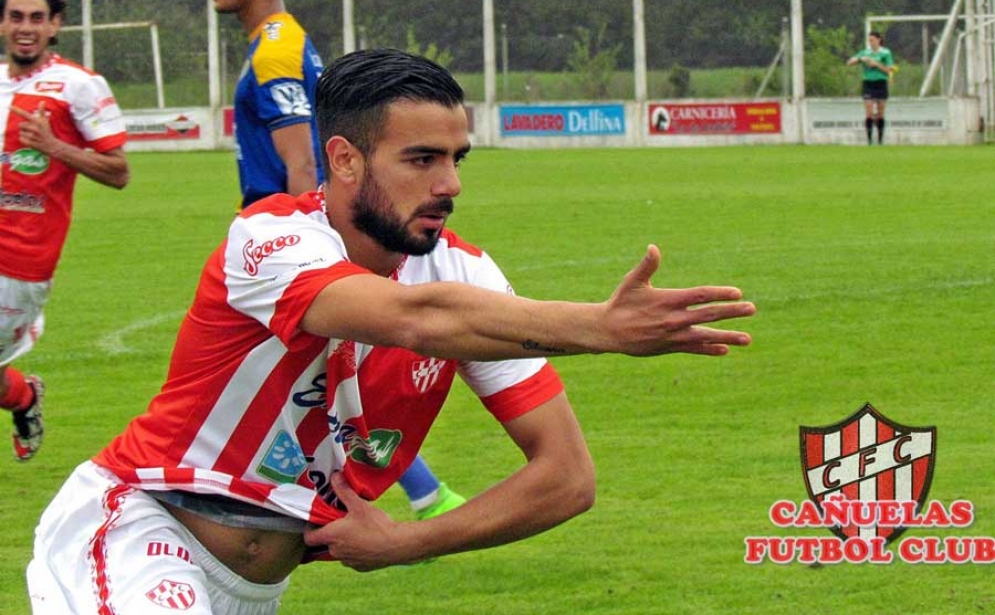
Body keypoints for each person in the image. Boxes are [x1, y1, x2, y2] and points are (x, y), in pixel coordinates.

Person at [28, 48, 755, 614]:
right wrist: (601, 327)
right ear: (344, 159)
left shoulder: (466, 275)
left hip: (252, 589)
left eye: (455, 158)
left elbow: (565, 478)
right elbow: (415, 319)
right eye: (421, 159)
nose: (450, 184)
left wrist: (408, 540)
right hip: (138, 527)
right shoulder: (271, 236)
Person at [205, 0, 463, 520]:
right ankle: (423, 492)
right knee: (328, 389)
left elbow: (302, 162)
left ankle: (415, 497)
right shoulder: (282, 41)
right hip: (301, 248)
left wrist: (320, 250)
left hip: (292, 254)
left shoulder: (275, 50)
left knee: (311, 390)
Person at [0, 0, 129, 462]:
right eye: (16, 17)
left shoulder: (78, 86)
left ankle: (23, 396)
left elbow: (118, 171)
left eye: (37, 17)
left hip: (22, 261)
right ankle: (23, 396)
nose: (26, 26)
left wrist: (54, 146)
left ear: (55, 24)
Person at [846, 31, 895, 145]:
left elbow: (890, 70)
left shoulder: (885, 52)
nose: (870, 42)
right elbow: (849, 62)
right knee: (868, 112)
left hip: (881, 83)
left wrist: (876, 64)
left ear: (879, 40)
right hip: (868, 83)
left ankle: (880, 140)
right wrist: (860, 59)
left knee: (880, 113)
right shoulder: (865, 52)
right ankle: (869, 141)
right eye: (869, 40)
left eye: (872, 40)